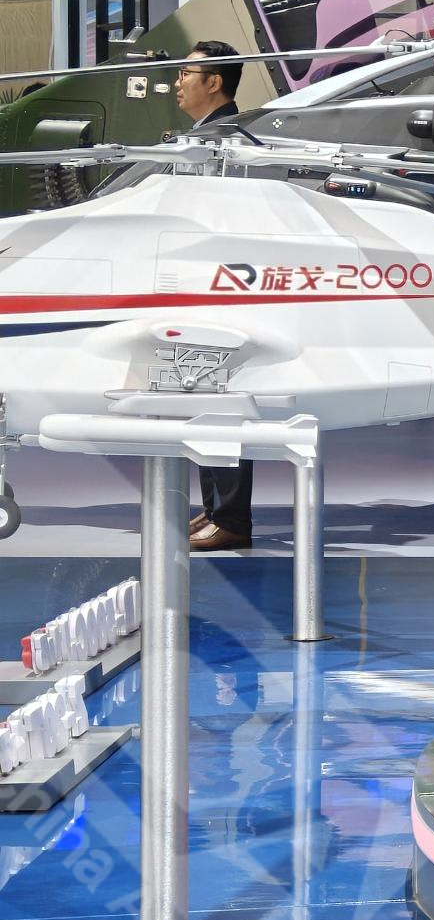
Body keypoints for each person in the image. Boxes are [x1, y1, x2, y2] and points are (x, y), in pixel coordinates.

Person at [173, 41, 253, 549]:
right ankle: (216, 508)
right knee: (200, 398)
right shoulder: (209, 135)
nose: (177, 81)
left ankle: (232, 521)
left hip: (218, 291)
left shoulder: (229, 141)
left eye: (186, 72)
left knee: (219, 401)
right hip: (202, 286)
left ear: (214, 82)